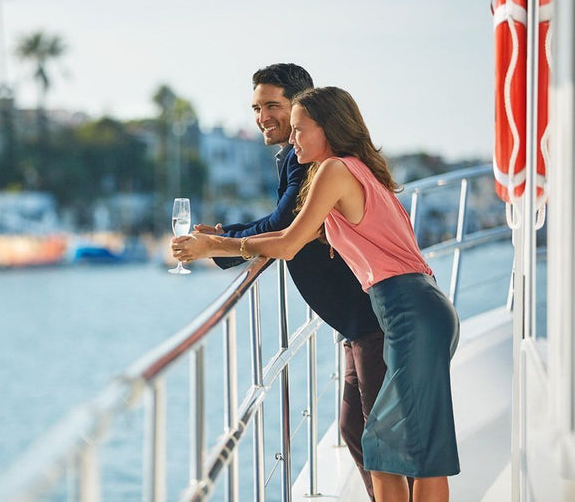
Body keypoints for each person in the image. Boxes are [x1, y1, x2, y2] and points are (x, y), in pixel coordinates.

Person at [173, 86, 460, 502]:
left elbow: (288, 241)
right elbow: (294, 236)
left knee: (397, 449)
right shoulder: (357, 171)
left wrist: (221, 247)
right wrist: (220, 243)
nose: (292, 140)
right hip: (417, 307)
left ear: (327, 128)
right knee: (403, 448)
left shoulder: (335, 172)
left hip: (407, 310)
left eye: (298, 129)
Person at [191, 64, 387, 501]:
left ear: (303, 105)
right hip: (357, 322)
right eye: (257, 108)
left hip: (373, 320)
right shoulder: (298, 159)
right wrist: (225, 236)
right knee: (357, 428)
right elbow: (281, 224)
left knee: (381, 438)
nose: (263, 117)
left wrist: (218, 245)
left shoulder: (316, 164)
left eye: (273, 106)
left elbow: (285, 228)